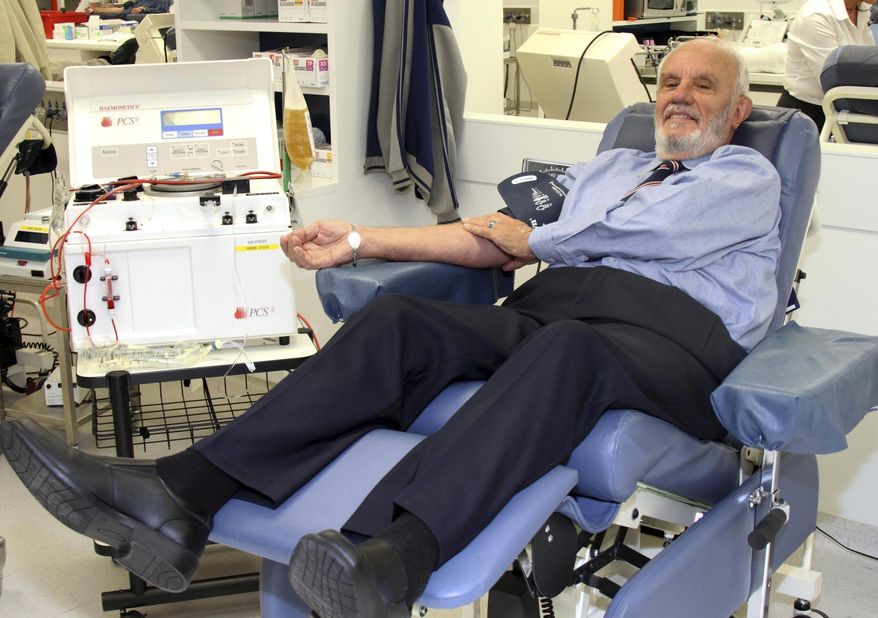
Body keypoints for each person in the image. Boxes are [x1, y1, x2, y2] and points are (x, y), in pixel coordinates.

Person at [0, 38, 782, 618]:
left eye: (703, 86)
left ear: (737, 110)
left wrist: (532, 240)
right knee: (402, 320)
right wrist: (363, 242)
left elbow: (632, 238)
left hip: (674, 345)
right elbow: (492, 231)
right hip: (558, 311)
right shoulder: (607, 168)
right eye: (670, 81)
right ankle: (180, 498)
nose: (679, 95)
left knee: (567, 349)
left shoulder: (749, 177)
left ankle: (395, 555)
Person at [780, 0, 877, 130]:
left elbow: (866, 68)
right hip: (807, 115)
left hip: (843, 111)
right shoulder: (816, 15)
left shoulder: (861, 9)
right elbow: (832, 81)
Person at [85, 0, 172, 20]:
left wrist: (143, 10)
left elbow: (162, 11)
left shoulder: (163, 1)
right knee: (95, 15)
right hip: (125, 13)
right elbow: (122, 9)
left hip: (136, 16)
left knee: (124, 15)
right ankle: (94, 12)